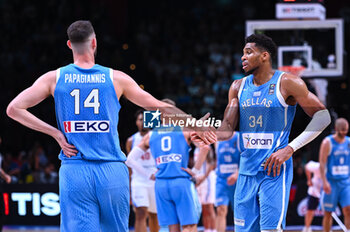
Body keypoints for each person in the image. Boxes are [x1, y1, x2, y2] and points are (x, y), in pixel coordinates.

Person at [6, 20, 216, 231]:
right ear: (94, 42)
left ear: (69, 45)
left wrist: (56, 134)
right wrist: (194, 123)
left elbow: (13, 109)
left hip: (75, 170)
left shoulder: (54, 78)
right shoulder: (116, 78)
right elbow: (161, 107)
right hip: (111, 170)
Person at [192, 34, 331, 231]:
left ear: (264, 56)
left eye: (249, 52)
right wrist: (208, 132)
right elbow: (227, 129)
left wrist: (290, 148)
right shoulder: (237, 87)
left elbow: (323, 116)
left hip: (273, 171)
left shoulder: (288, 82)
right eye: (242, 53)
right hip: (246, 172)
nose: (243, 57)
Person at [127, 106, 207, 232]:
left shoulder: (150, 135)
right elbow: (205, 147)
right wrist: (195, 171)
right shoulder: (184, 130)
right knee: (189, 226)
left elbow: (130, 159)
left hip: (160, 184)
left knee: (172, 228)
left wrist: (149, 174)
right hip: (180, 181)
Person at [126, 110, 158, 232]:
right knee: (140, 213)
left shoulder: (156, 137)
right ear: (136, 122)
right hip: (138, 180)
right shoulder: (131, 140)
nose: (143, 122)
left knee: (154, 216)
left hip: (154, 180)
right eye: (140, 119)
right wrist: (128, 185)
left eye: (145, 119)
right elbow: (129, 165)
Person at [319, 118, 350, 232]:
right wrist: (324, 182)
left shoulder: (348, 142)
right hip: (331, 182)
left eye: (346, 130)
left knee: (348, 210)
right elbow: (322, 164)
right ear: (336, 129)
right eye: (342, 130)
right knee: (328, 213)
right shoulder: (327, 142)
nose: (344, 132)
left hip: (346, 182)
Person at [215, 132, 241, 232]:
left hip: (236, 179)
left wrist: (237, 174)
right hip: (221, 180)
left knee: (239, 212)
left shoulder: (238, 137)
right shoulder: (216, 139)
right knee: (220, 210)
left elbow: (245, 159)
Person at [193, 145, 216, 232]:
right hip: (199, 179)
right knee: (203, 207)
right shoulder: (195, 149)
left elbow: (211, 164)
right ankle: (207, 229)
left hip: (208, 179)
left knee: (209, 207)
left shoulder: (207, 148)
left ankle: (213, 229)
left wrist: (204, 177)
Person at [302, 161, 322, 232]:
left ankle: (327, 229)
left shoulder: (332, 168)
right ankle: (307, 228)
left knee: (328, 211)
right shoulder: (317, 166)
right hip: (314, 191)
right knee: (310, 210)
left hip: (326, 191)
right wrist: (309, 180)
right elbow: (307, 166)